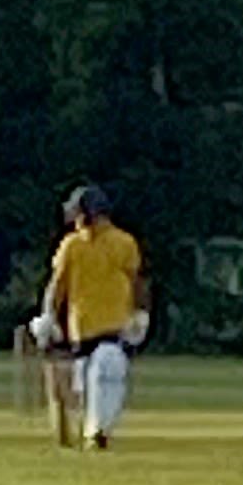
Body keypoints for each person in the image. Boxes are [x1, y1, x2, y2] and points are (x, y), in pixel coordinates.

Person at [36, 182, 150, 450]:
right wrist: (48, 315)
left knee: (106, 369)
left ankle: (98, 432)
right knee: (85, 387)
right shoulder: (71, 245)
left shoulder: (123, 242)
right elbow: (57, 285)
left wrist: (140, 312)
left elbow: (137, 281)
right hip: (81, 330)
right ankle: (92, 431)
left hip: (114, 328)